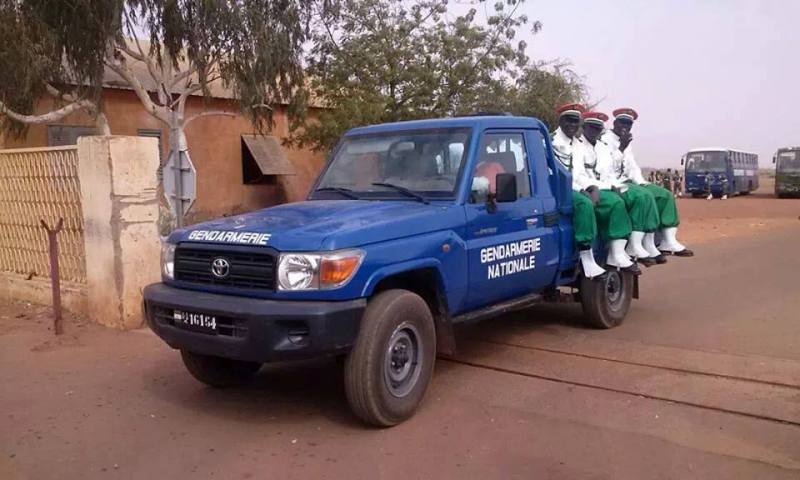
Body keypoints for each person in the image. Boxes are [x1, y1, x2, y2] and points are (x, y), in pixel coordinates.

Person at [551, 103, 639, 277]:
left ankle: (617, 250)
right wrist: (582, 189)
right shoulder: (551, 141)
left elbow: (580, 173)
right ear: (560, 120)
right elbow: (556, 174)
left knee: (613, 201)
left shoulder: (576, 143)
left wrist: (590, 187)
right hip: (557, 187)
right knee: (585, 204)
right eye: (569, 120)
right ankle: (586, 259)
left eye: (575, 121)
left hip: (576, 185)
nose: (572, 125)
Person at [601, 108, 694, 257]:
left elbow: (632, 165)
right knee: (644, 196)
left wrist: (642, 182)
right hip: (615, 181)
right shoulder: (604, 140)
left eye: (629, 124)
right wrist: (621, 148)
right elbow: (607, 168)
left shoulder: (625, 140)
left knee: (665, 195)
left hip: (631, 181)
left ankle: (667, 240)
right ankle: (637, 244)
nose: (625, 126)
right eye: (622, 122)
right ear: (615, 122)